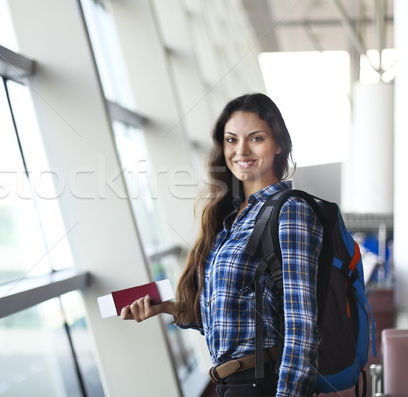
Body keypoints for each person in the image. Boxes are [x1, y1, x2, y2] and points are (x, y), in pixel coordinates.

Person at [121, 93, 323, 396]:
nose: (241, 150)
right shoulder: (230, 219)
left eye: (255, 138)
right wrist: (168, 308)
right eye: (231, 140)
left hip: (264, 384)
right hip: (231, 384)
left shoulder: (290, 211)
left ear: (279, 144)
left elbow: (302, 326)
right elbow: (232, 319)